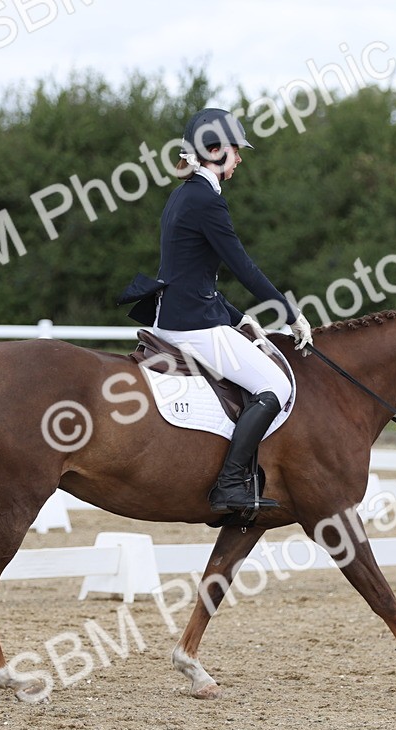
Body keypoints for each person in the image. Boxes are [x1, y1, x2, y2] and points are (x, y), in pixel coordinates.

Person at [118, 108, 314, 513]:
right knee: (276, 387)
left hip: (176, 317)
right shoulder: (207, 201)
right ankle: (229, 484)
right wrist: (290, 313)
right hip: (193, 326)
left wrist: (239, 317)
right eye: (234, 150)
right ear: (213, 151)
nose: (239, 158)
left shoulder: (183, 196)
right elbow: (244, 267)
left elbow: (190, 276)